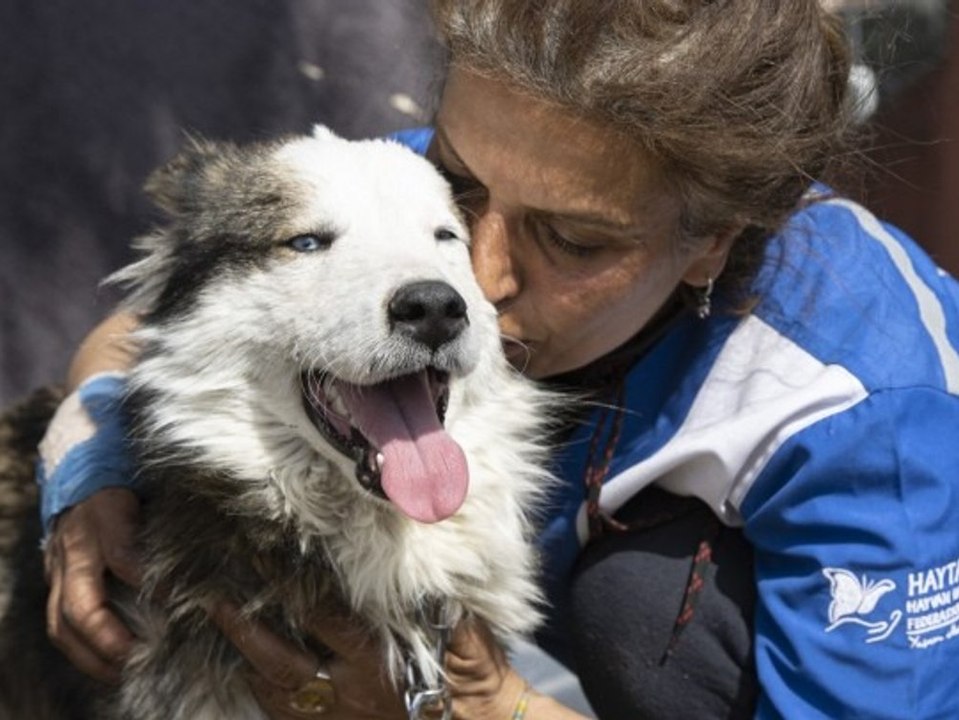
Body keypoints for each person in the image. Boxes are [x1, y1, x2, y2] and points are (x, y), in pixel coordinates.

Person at [33, 1, 959, 718]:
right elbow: (153, 323)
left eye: (573, 241)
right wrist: (90, 459)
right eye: (459, 190)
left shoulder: (865, 410)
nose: (472, 276)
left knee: (648, 610)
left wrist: (476, 706)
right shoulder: (484, 164)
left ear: (711, 242)